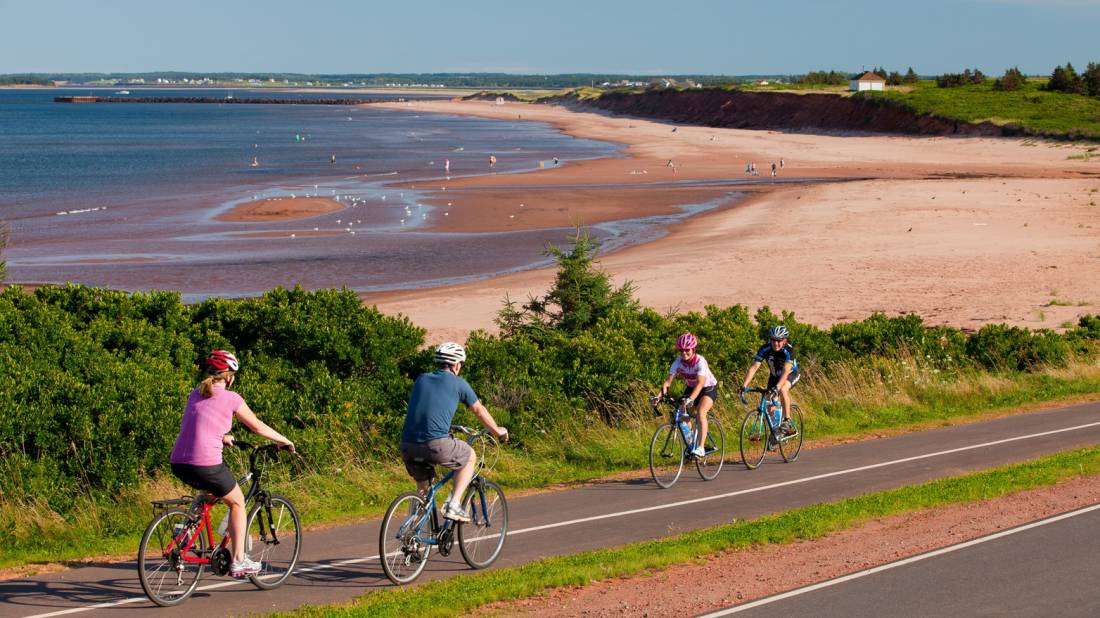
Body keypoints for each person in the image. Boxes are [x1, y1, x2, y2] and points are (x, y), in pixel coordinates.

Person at [169, 350, 295, 578]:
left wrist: (223, 436)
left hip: (178, 462)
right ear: (228, 376)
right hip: (204, 463)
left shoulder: (195, 394)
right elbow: (256, 426)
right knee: (237, 502)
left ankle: (184, 532)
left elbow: (198, 424)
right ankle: (238, 560)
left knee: (209, 494)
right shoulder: (231, 398)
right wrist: (284, 440)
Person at [400, 342, 508, 522]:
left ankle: (413, 537)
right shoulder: (459, 384)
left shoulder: (421, 379)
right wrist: (498, 431)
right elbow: (479, 410)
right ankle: (454, 505)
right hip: (434, 444)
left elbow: (428, 407)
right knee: (470, 456)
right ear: (456, 365)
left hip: (407, 445)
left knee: (424, 493)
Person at [659, 333, 718, 458]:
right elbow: (668, 382)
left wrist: (691, 399)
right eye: (681, 350)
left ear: (693, 350)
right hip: (691, 388)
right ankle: (692, 445)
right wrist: (658, 396)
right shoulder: (678, 362)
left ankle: (701, 447)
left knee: (701, 412)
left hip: (708, 387)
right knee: (683, 415)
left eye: (687, 350)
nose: (684, 353)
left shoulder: (700, 361)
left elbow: (701, 383)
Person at [739, 326, 800, 435]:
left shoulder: (789, 351)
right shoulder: (765, 349)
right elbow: (754, 368)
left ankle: (786, 421)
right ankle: (776, 432)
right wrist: (744, 386)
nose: (775, 343)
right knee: (769, 403)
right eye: (773, 340)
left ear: (785, 340)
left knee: (783, 390)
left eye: (779, 340)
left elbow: (786, 372)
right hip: (775, 376)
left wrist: (777, 388)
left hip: (791, 374)